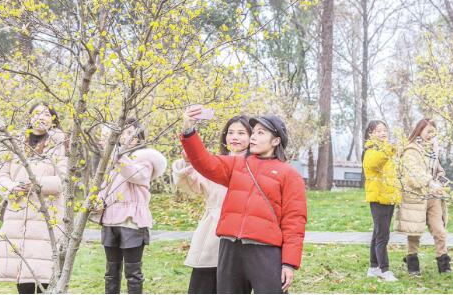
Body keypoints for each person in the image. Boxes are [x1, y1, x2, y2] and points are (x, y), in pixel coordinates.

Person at [180, 106, 307, 294]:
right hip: (230, 247)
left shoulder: (289, 174)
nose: (254, 137)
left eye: (261, 133)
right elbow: (205, 162)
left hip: (265, 251)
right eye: (253, 132)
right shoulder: (237, 165)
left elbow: (294, 222)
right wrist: (189, 130)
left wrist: (288, 263)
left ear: (276, 140)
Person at [0, 103, 68, 294]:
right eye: (36, 113)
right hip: (17, 217)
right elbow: (1, 177)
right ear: (29, 118)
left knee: (44, 277)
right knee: (22, 276)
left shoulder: (62, 144)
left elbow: (64, 180)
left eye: (46, 113)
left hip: (47, 218)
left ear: (53, 119)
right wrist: (12, 188)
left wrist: (35, 183)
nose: (41, 117)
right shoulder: (16, 144)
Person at [173, 116, 251, 293]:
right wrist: (187, 161)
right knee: (203, 285)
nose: (235, 137)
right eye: (230, 132)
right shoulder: (215, 163)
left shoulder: (256, 166)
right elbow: (191, 184)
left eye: (241, 133)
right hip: (212, 232)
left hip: (243, 234)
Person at [96, 118, 167, 294]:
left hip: (132, 222)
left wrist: (117, 155)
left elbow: (135, 175)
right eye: (123, 132)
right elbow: (103, 185)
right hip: (110, 220)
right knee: (111, 273)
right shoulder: (111, 160)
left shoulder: (145, 160)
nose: (125, 137)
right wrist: (98, 200)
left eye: (131, 133)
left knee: (133, 273)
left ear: (139, 138)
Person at [394, 118, 452, 275]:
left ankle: (444, 263)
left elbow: (438, 170)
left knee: (439, 230)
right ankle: (412, 264)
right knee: (415, 232)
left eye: (433, 132)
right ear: (419, 130)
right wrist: (430, 183)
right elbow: (413, 173)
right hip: (416, 197)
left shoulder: (432, 150)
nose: (430, 135)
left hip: (433, 197)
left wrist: (440, 180)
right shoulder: (411, 150)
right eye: (428, 131)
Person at [362, 120, 401, 282]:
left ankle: (373, 267)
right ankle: (384, 270)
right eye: (378, 131)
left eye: (384, 130)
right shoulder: (371, 150)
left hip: (388, 197)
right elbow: (375, 162)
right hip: (378, 198)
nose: (383, 133)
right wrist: (389, 148)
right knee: (382, 235)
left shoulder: (384, 150)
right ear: (371, 134)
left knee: (378, 233)